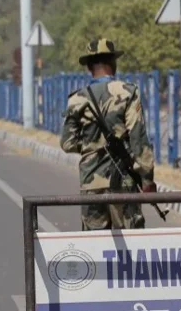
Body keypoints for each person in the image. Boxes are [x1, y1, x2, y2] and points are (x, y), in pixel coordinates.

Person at [60, 38, 157, 230]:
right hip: (124, 181)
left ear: (89, 66)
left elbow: (67, 143)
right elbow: (138, 139)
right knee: (131, 250)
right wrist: (147, 180)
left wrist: (92, 146)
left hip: (91, 183)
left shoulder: (77, 99)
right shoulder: (128, 93)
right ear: (113, 62)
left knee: (94, 249)